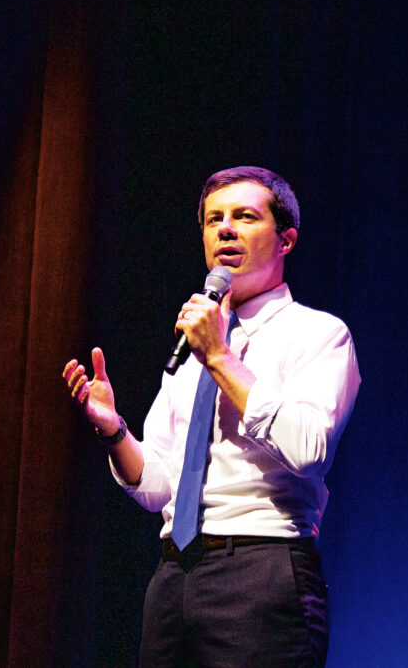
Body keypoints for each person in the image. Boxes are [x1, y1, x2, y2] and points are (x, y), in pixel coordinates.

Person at [63, 166, 360, 666]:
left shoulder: (318, 335)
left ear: (286, 239)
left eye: (245, 216)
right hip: (174, 576)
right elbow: (159, 486)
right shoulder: (195, 344)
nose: (225, 228)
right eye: (213, 219)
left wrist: (220, 357)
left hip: (262, 573)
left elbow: (308, 449)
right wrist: (114, 430)